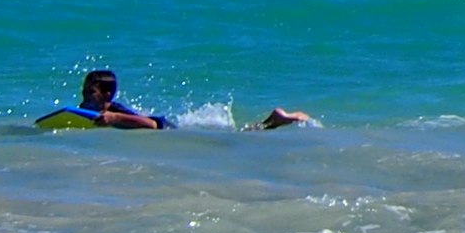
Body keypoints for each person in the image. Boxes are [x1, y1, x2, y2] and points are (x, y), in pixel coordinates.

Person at [54, 69, 307, 131]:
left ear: (107, 95)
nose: (85, 98)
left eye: (91, 93)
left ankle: (274, 121)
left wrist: (114, 119)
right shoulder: (91, 111)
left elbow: (152, 125)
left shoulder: (113, 111)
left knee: (236, 139)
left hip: (166, 129)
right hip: (164, 126)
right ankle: (271, 122)